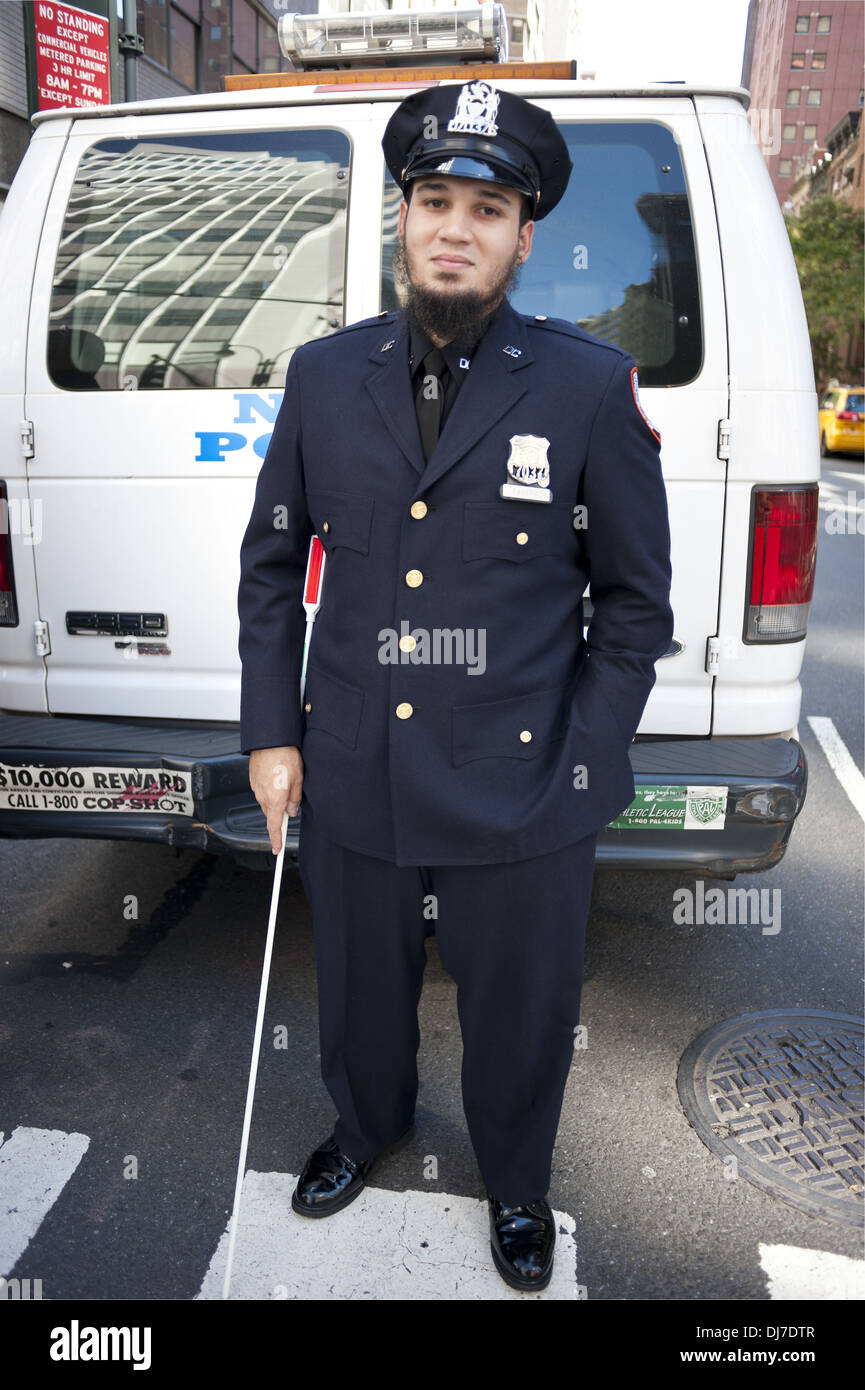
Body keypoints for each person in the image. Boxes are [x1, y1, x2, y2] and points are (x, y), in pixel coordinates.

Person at [237, 79, 674, 1293]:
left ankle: (517, 1183)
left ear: (524, 238)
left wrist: (580, 765)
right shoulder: (325, 378)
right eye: (434, 199)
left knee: (521, 1015)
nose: (454, 226)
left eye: (487, 208)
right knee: (362, 996)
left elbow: (635, 607)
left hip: (524, 781)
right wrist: (274, 734)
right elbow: (273, 563)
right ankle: (365, 1125)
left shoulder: (585, 388)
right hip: (360, 764)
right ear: (401, 217)